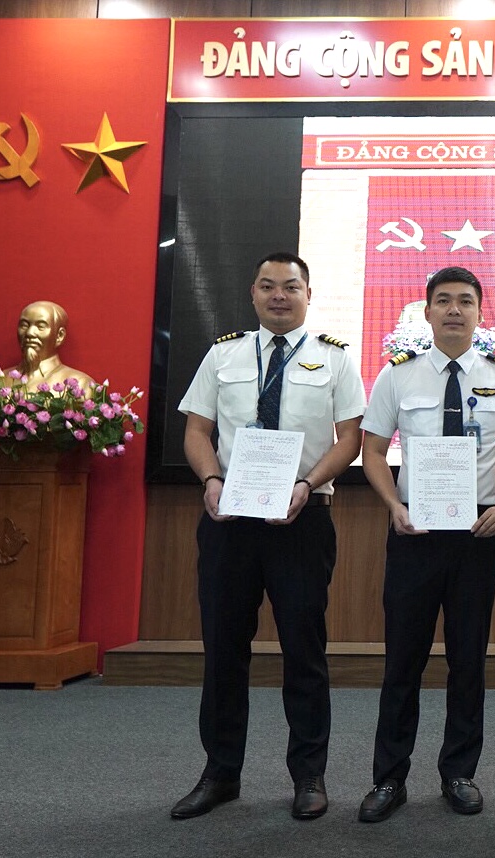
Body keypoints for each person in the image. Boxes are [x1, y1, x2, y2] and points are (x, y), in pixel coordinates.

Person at [172, 252, 365, 821]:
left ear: (308, 294)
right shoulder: (223, 354)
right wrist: (210, 480)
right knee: (223, 649)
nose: (279, 295)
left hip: (302, 520)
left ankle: (309, 775)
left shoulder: (336, 358)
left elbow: (350, 439)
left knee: (304, 650)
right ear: (253, 294)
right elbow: (197, 431)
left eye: (290, 286)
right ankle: (219, 773)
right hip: (230, 521)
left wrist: (307, 484)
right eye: (267, 286)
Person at [358, 266, 495, 822]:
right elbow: (372, 451)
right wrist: (393, 506)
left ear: (480, 313)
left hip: (478, 532)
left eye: (465, 301)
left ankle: (459, 772)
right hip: (416, 529)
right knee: (402, 659)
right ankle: (389, 778)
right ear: (427, 311)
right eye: (444, 301)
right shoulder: (397, 375)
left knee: (468, 658)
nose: (454, 310)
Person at [0, 300, 95, 392]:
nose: (29, 333)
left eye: (40, 326)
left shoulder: (80, 385)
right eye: (24, 325)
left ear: (59, 336)